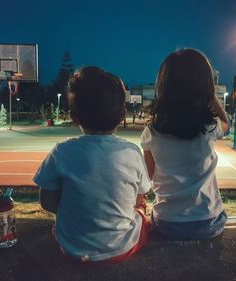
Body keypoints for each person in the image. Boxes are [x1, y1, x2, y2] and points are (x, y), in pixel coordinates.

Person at [34, 66, 151, 263]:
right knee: (143, 212)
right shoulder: (132, 152)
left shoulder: (61, 152)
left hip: (70, 247)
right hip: (120, 249)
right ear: (122, 116)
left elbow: (47, 202)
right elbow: (137, 200)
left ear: (74, 117)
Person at [141, 49, 229, 240]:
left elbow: (147, 176)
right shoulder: (210, 128)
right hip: (207, 222)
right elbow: (226, 123)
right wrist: (211, 94)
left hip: (167, 223)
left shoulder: (151, 132)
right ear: (207, 87)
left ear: (163, 86)